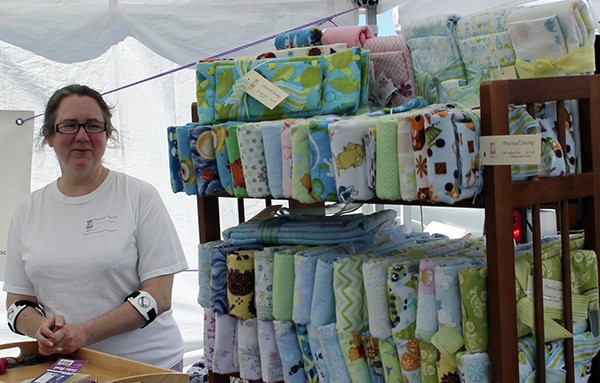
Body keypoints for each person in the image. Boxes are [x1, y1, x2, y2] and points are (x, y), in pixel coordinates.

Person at [3, 84, 189, 371]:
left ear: (107, 134)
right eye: (69, 126)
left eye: (93, 125)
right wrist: (42, 328)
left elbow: (159, 296)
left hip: (145, 367)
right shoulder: (28, 211)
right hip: (68, 369)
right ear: (49, 136)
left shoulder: (138, 196)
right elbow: (17, 303)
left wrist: (84, 333)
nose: (82, 136)